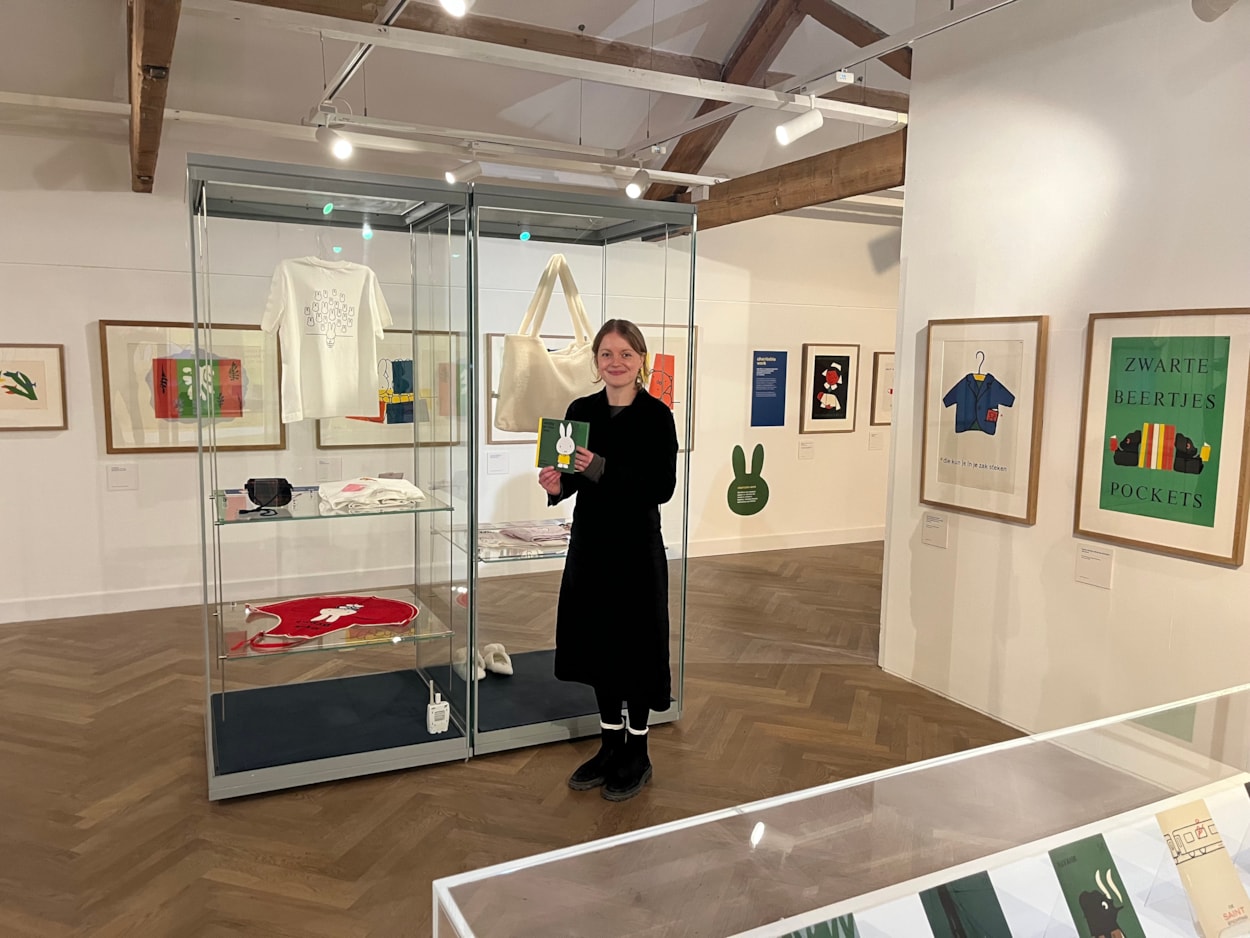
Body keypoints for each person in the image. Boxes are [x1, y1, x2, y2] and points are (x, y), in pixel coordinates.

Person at [538, 319, 678, 802]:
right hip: (592, 546)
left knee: (635, 646)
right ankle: (609, 744)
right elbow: (571, 476)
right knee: (598, 644)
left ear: (641, 359)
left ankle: (637, 751)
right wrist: (558, 486)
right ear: (595, 362)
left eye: (625, 354)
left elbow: (660, 487)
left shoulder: (657, 416)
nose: (615, 363)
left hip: (636, 549)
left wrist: (597, 466)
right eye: (606, 354)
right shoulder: (580, 410)